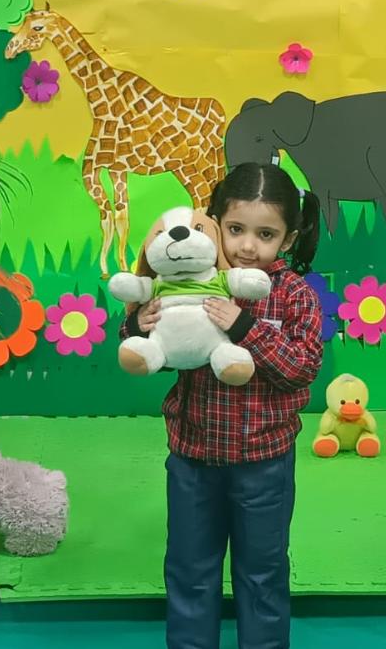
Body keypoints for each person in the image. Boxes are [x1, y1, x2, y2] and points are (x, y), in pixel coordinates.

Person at [122, 162, 324, 649]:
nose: (247, 246)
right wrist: (136, 325)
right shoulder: (185, 279)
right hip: (193, 457)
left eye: (265, 234)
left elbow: (302, 369)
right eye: (235, 229)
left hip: (264, 463)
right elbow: (160, 354)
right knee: (189, 568)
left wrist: (245, 328)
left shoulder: (294, 295)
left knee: (262, 572)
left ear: (289, 238)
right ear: (213, 223)